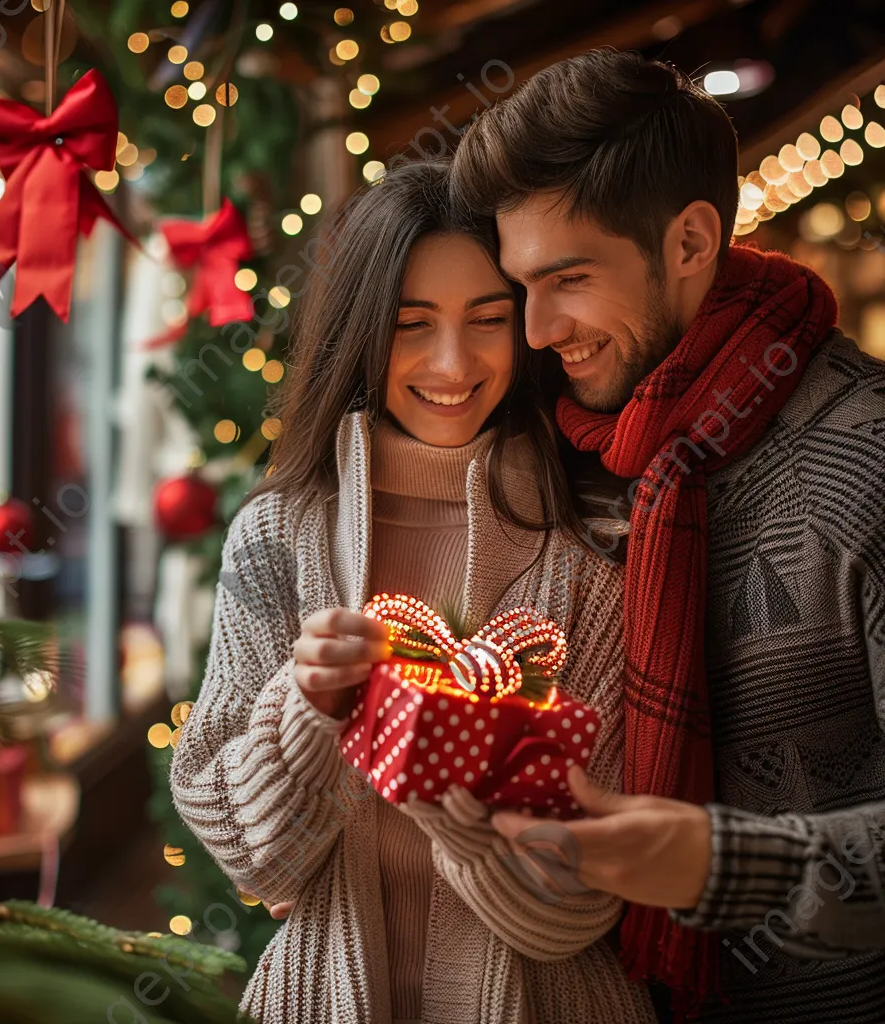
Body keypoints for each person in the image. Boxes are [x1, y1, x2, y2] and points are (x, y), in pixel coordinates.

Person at [450, 47, 885, 1024]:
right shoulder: (580, 452)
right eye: (521, 285)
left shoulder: (868, 458)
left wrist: (712, 861)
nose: (534, 329)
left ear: (689, 240)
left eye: (566, 277)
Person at [169, 161, 656, 1024]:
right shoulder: (280, 535)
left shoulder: (591, 549)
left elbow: (584, 904)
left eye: (488, 321)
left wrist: (448, 772)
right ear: (363, 331)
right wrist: (309, 705)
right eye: (411, 324)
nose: (451, 362)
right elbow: (252, 861)